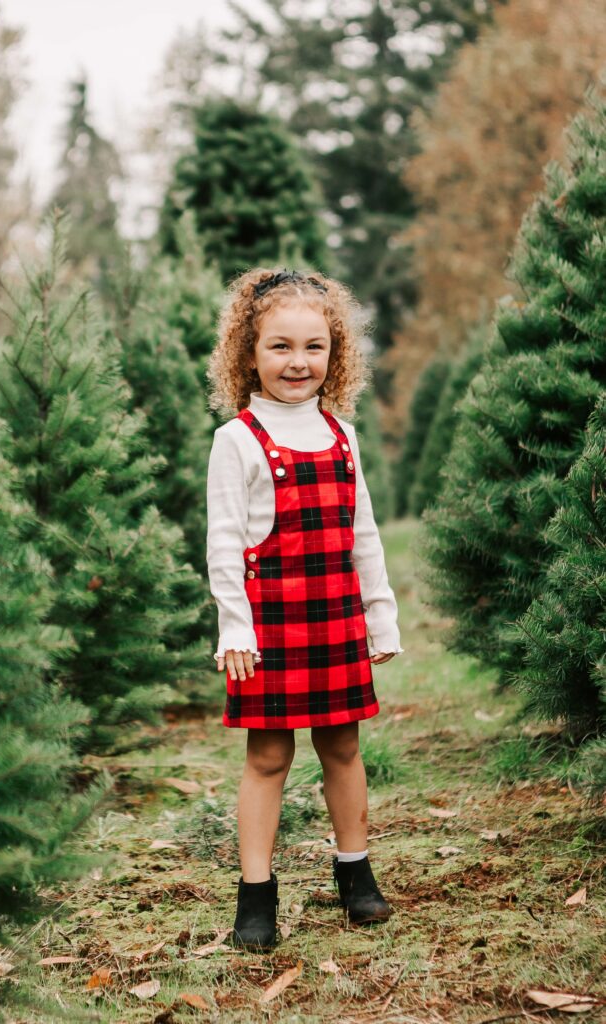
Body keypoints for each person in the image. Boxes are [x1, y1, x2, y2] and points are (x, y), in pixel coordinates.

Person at [205, 267, 403, 951]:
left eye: (313, 347)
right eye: (280, 346)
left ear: (335, 353)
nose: (297, 362)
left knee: (343, 745)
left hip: (334, 618)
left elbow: (362, 535)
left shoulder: (341, 436)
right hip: (271, 625)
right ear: (248, 354)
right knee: (267, 755)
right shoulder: (238, 439)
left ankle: (354, 871)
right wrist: (235, 626)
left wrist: (380, 614)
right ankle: (255, 894)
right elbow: (224, 544)